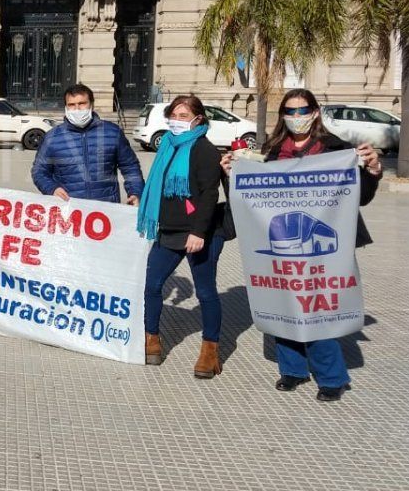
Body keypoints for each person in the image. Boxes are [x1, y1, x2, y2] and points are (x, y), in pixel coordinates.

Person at [222, 89, 382, 402]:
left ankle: (331, 377)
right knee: (282, 303)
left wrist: (374, 171)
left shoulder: (336, 148)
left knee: (315, 307)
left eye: (303, 110)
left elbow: (359, 197)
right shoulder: (271, 151)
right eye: (291, 111)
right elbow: (251, 197)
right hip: (284, 242)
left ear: (315, 112)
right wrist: (232, 174)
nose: (297, 117)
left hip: (324, 251)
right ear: (283, 115)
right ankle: (292, 369)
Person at [137, 94, 226, 377]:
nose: (177, 121)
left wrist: (198, 232)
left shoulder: (204, 150)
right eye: (173, 116)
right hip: (169, 230)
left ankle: (210, 351)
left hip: (199, 234)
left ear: (198, 119)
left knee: (205, 291)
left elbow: (209, 195)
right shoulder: (167, 145)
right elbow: (158, 185)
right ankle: (151, 340)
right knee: (151, 285)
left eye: (183, 116)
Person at [32, 83, 144, 205]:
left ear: (91, 104)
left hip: (106, 207)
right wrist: (52, 189)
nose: (77, 109)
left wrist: (135, 192)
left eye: (82, 103)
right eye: (71, 105)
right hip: (69, 208)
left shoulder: (113, 132)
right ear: (66, 107)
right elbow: (39, 172)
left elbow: (130, 167)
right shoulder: (52, 137)